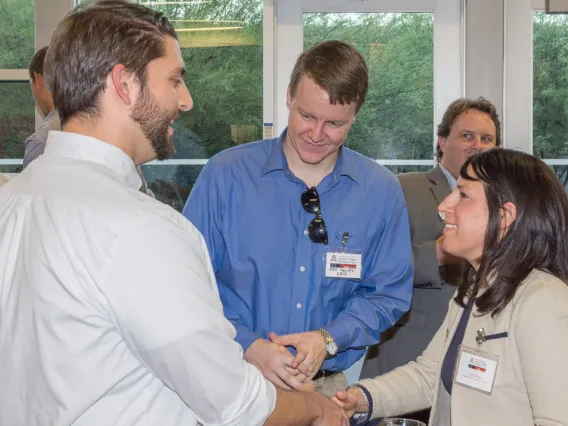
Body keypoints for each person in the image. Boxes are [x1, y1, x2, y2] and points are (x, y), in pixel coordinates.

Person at [0, 2, 349, 425]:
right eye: (175, 80)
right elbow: (237, 406)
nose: (185, 101)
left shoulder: (13, 199)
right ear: (124, 83)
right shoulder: (142, 230)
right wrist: (316, 409)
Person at [183, 40, 414, 397]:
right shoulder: (225, 176)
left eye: (335, 123)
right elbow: (187, 282)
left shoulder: (380, 191)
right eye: (307, 116)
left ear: (356, 115)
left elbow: (388, 294)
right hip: (232, 382)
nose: (317, 134)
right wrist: (248, 345)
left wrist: (328, 339)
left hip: (324, 391)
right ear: (289, 96)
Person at [334, 148, 568, 426]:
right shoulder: (473, 289)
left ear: (504, 216)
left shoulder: (544, 302)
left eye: (463, 195)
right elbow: (430, 374)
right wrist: (361, 399)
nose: (444, 206)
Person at [360, 97, 501, 421]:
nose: (477, 145)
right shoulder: (404, 189)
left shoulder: (503, 206)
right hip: (406, 362)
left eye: (487, 139)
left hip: (476, 375)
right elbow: (372, 270)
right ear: (442, 140)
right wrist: (438, 255)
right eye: (467, 136)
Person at [23, 45, 152, 194]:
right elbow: (141, 193)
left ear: (38, 80)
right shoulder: (113, 129)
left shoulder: (41, 140)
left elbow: (34, 205)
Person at [23, 46, 61, 169]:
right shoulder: (93, 127)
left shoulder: (41, 141)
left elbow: (29, 188)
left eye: (31, 83)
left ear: (38, 80)